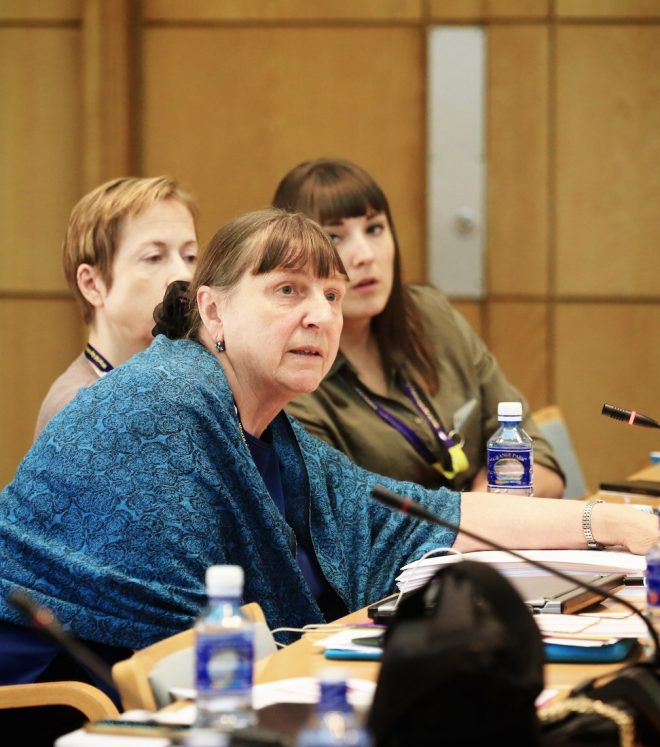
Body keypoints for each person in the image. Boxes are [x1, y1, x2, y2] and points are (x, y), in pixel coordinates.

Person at [0, 209, 654, 705]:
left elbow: (421, 513)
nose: (320, 316)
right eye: (288, 291)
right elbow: (179, 638)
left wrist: (610, 525)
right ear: (212, 308)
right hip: (56, 700)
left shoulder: (271, 426)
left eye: (332, 296)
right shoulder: (167, 401)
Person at [273, 158, 565, 497]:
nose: (365, 255)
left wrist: (486, 509)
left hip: (491, 541)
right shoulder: (295, 376)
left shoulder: (430, 316)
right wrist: (483, 518)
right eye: (335, 237)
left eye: (375, 229)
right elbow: (343, 518)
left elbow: (540, 461)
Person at [33, 175, 199, 438]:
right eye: (154, 257)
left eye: (190, 256)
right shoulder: (75, 407)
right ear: (92, 284)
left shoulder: (189, 386)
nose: (184, 275)